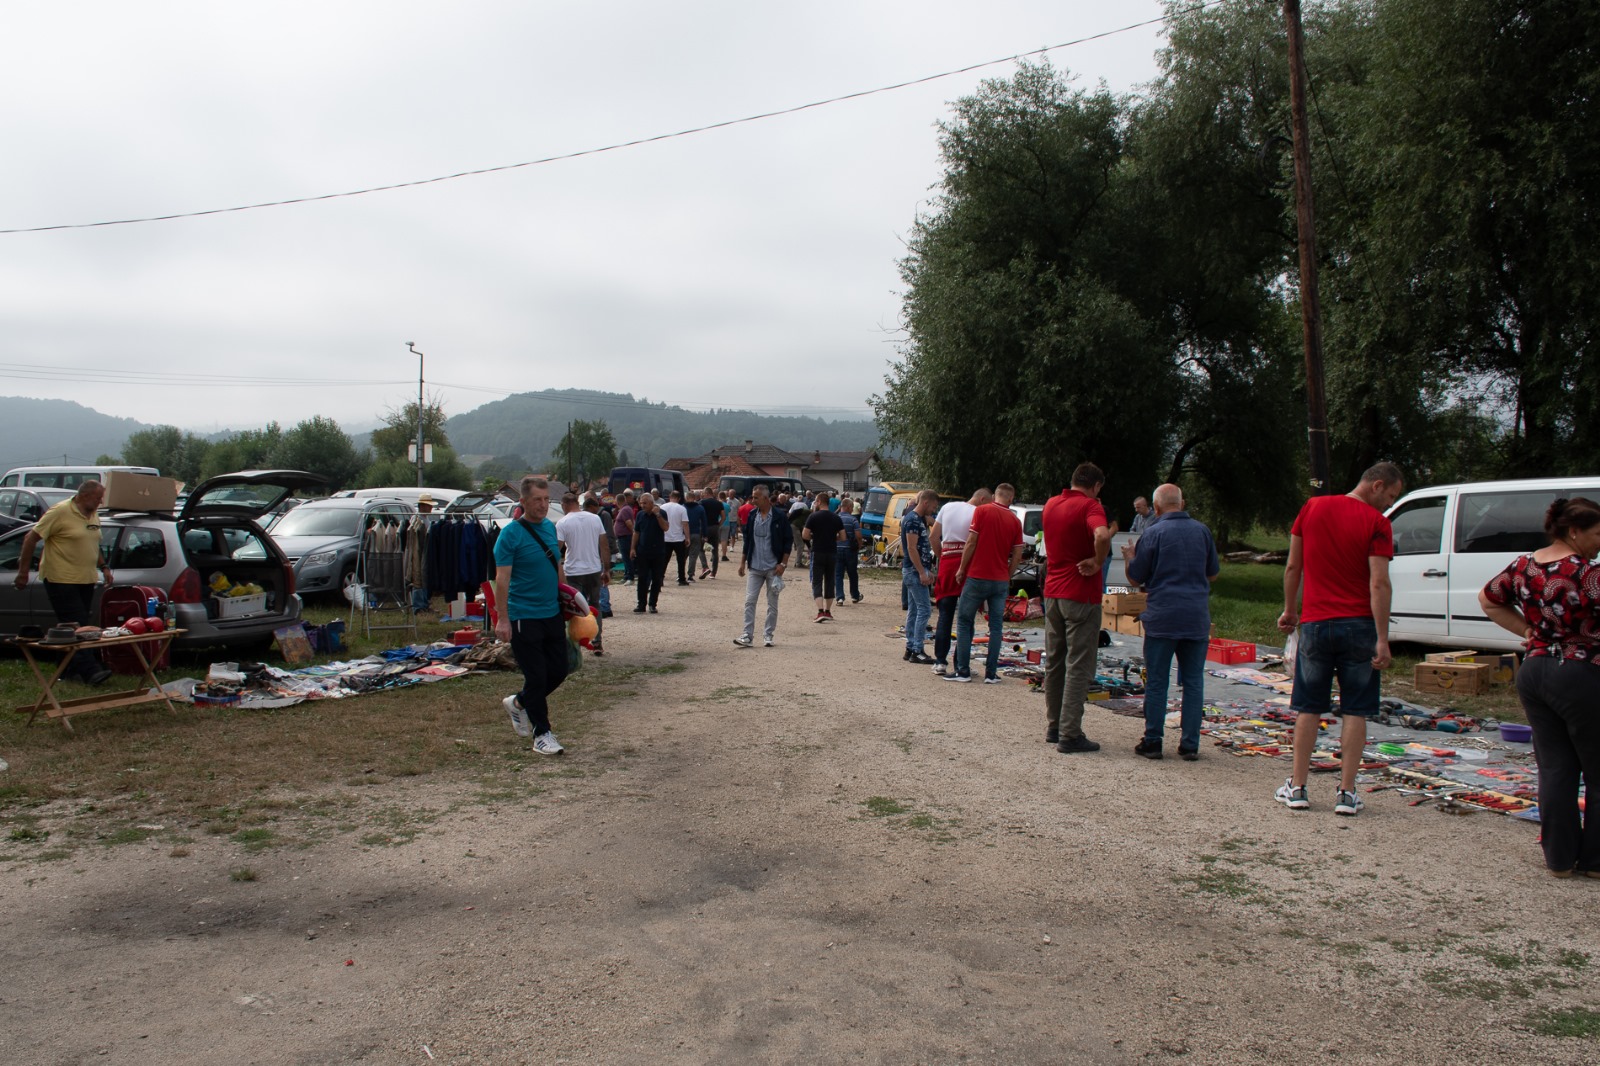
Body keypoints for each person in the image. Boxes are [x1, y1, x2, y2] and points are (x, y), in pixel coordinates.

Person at [1275, 461, 1406, 815]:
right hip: (1359, 625)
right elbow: (1379, 582)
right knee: (1356, 708)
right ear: (1376, 485)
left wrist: (1290, 610)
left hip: (1316, 623)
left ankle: (1298, 786)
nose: (1389, 504)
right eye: (1390, 496)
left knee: (1308, 705)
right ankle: (1346, 792)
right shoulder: (1377, 523)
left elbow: (1293, 566)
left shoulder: (1312, 508)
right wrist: (1383, 637)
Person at [1479, 497, 1600, 876]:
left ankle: (1559, 860)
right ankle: (1596, 861)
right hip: (1580, 673)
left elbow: (1488, 599)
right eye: (1598, 534)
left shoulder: (1523, 566)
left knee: (1555, 767)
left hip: (1534, 671)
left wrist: (1527, 630)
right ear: (1574, 531)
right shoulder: (1589, 573)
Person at [1121, 484, 1220, 759]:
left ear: (1156, 508)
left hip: (1163, 617)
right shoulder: (1202, 531)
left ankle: (1153, 740)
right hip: (1195, 617)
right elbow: (1213, 574)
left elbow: (1136, 578)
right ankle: (1190, 744)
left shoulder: (1153, 533)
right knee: (1193, 682)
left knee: (1157, 681)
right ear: (1182, 503)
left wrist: (1130, 558)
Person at [492, 475, 568, 756]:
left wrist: (568, 599)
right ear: (523, 501)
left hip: (552, 612)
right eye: (537, 500)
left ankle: (519, 703)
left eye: (547, 499)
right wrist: (503, 619)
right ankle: (542, 734)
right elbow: (502, 579)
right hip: (523, 615)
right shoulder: (510, 534)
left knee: (559, 670)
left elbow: (557, 567)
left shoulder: (549, 527)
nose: (543, 505)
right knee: (536, 676)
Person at [13, 480, 113, 685]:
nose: (101, 502)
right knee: (79, 625)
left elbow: (93, 544)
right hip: (60, 578)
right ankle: (91, 671)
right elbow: (30, 538)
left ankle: (66, 671)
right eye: (98, 498)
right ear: (84, 496)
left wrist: (104, 567)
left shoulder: (93, 514)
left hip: (85, 579)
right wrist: (23, 572)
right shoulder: (59, 512)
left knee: (72, 625)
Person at [1042, 463, 1112, 753]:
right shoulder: (1090, 506)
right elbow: (1102, 535)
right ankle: (1070, 733)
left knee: (1055, 661)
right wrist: (1097, 561)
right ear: (1095, 486)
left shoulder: (1051, 504)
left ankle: (1054, 725)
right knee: (1079, 663)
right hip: (1081, 594)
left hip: (1053, 592)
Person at [949, 484, 1024, 684]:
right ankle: (991, 673)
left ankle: (963, 670)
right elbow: (1017, 554)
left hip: (977, 575)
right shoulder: (1015, 521)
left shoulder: (982, 511)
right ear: (1011, 498)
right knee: (996, 627)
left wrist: (962, 568)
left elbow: (971, 542)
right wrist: (1008, 574)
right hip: (999, 579)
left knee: (965, 621)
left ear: (994, 495)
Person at [931, 488, 992, 676]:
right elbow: (978, 542)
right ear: (982, 499)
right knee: (966, 619)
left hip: (947, 563)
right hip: (968, 565)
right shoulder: (979, 513)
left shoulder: (947, 507)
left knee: (945, 615)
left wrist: (942, 557)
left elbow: (933, 537)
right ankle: (960, 663)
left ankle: (940, 662)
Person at [735, 486, 791, 648]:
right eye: (753, 497)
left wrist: (783, 564)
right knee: (749, 601)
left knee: (772, 604)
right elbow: (748, 540)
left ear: (766, 499)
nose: (753, 500)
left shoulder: (779, 517)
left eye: (756, 497)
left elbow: (788, 541)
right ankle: (747, 635)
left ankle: (768, 635)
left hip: (773, 568)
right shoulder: (753, 515)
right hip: (755, 567)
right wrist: (743, 562)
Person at [556, 493, 609, 656]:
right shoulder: (595, 519)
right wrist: (606, 569)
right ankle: (597, 641)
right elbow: (604, 545)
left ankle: (575, 642)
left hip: (573, 571)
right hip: (593, 569)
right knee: (595, 605)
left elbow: (556, 549)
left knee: (574, 608)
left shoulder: (563, 522)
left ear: (564, 505)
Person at [900, 489, 939, 664]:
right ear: (925, 502)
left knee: (915, 610)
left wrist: (925, 569)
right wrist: (922, 571)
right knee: (924, 610)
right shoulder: (913, 520)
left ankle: (910, 647)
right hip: (914, 571)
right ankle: (917, 649)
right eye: (933, 507)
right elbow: (911, 547)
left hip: (915, 570)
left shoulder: (917, 519)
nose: (933, 511)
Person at [803, 500, 845, 622]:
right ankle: (828, 611)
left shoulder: (813, 516)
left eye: (816, 501)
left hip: (818, 551)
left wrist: (815, 536)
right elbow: (843, 537)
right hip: (832, 552)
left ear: (819, 502)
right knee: (830, 581)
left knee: (817, 581)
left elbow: (805, 535)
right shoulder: (836, 517)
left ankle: (820, 611)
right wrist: (833, 538)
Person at [630, 492, 670, 613]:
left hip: (658, 551)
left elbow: (666, 528)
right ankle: (641, 604)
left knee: (656, 578)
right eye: (641, 503)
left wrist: (658, 515)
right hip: (643, 551)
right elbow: (636, 532)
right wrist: (632, 548)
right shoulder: (640, 515)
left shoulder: (661, 513)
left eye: (645, 503)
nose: (642, 505)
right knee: (642, 578)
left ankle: (653, 604)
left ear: (652, 503)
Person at [834, 498, 864, 606]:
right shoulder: (853, 520)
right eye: (851, 508)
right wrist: (859, 546)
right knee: (852, 574)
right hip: (850, 550)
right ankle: (855, 596)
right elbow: (858, 536)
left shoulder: (835, 519)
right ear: (847, 507)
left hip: (837, 549)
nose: (852, 510)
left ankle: (839, 597)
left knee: (838, 574)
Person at [410, 492, 437, 613]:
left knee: (424, 578)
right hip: (419, 552)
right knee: (418, 578)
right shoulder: (417, 520)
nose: (430, 508)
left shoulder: (425, 519)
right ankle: (419, 606)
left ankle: (425, 603)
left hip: (424, 552)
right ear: (422, 506)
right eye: (428, 505)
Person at [662, 490, 691, 585]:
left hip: (665, 538)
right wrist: (687, 537)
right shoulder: (682, 509)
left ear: (670, 497)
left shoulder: (662, 507)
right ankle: (681, 578)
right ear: (679, 499)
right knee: (681, 560)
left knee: (664, 560)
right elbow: (685, 524)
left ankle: (660, 578)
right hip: (678, 538)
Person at [700, 489, 725, 578]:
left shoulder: (702, 503)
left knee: (700, 549)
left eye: (703, 493)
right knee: (715, 550)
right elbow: (723, 516)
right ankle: (713, 573)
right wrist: (719, 524)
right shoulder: (719, 503)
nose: (703, 495)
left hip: (705, 527)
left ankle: (705, 567)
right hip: (715, 527)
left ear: (707, 493)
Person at [613, 492, 637, 585]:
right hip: (622, 537)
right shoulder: (624, 509)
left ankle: (630, 577)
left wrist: (633, 533)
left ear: (618, 501)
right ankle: (626, 575)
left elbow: (629, 523)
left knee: (627, 557)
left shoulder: (625, 510)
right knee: (625, 557)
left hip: (625, 537)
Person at [686, 490, 708, 582]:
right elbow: (704, 522)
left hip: (684, 534)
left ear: (686, 498)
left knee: (682, 556)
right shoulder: (700, 508)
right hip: (696, 533)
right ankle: (690, 575)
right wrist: (705, 535)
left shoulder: (682, 507)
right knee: (693, 555)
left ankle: (680, 575)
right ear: (694, 498)